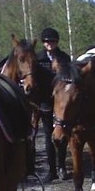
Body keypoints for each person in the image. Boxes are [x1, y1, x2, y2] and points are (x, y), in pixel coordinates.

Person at [36, 27, 72, 182]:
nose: (49, 44)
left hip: (61, 102)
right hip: (45, 101)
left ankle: (62, 167)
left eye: (52, 41)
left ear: (56, 42)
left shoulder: (64, 58)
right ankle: (51, 170)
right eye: (46, 41)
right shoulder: (38, 59)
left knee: (62, 136)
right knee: (48, 136)